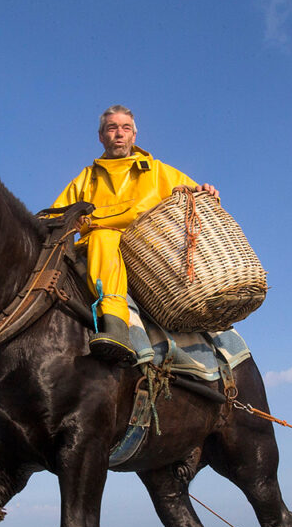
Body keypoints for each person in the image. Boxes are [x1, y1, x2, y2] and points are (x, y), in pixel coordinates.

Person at [53, 105, 218, 364]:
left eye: (125, 128)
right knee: (101, 239)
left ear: (134, 136)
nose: (119, 133)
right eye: (112, 128)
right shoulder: (84, 179)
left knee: (103, 236)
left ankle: (116, 326)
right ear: (101, 136)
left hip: (145, 254)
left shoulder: (157, 171)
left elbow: (194, 197)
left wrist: (205, 191)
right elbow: (55, 218)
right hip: (95, 257)